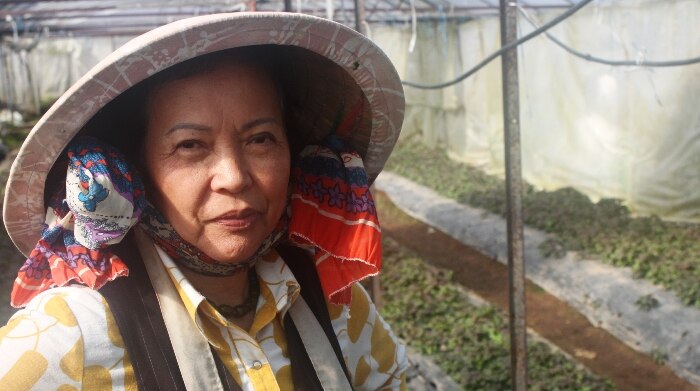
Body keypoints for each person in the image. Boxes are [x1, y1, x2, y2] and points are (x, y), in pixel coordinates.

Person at [0, 12, 407, 391]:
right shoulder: (70, 337)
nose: (234, 177)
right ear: (134, 171)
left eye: (260, 139)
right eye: (190, 145)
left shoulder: (337, 303)